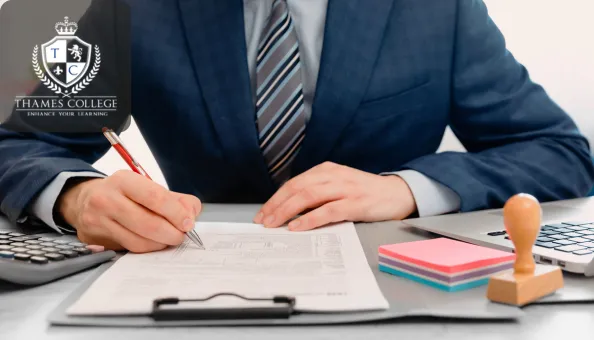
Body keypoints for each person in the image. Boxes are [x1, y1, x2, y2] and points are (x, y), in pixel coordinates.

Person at [1, 0, 593, 253]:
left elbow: (562, 152)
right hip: (170, 292)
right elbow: (9, 138)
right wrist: (76, 197)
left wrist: (406, 188)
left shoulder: (439, 6)